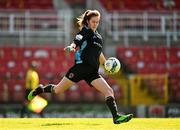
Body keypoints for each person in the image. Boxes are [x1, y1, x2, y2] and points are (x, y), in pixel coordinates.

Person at [28, 10, 132, 124]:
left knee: (109, 91)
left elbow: (99, 54)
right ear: (87, 21)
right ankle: (40, 89)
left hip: (92, 72)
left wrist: (106, 65)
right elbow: (76, 41)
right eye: (93, 22)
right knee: (57, 90)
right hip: (80, 68)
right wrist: (72, 47)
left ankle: (116, 117)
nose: (95, 24)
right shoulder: (85, 31)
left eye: (97, 22)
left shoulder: (98, 37)